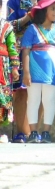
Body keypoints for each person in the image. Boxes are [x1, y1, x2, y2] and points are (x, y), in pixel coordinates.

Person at [7, 0, 55, 143]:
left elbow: (54, 25)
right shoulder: (15, 0)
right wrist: (29, 16)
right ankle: (21, 132)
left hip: (43, 52)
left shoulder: (48, 1)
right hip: (21, 51)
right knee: (21, 91)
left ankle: (35, 131)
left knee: (43, 91)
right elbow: (9, 25)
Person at [21, 0, 55, 143]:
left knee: (49, 100)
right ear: (43, 11)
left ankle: (46, 132)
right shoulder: (32, 29)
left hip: (52, 72)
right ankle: (33, 132)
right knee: (33, 100)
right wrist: (26, 72)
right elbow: (26, 51)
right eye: (53, 9)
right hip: (34, 72)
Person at [0, 8, 19, 143]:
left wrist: (15, 67)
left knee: (2, 99)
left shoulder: (6, 27)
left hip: (2, 67)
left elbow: (12, 46)